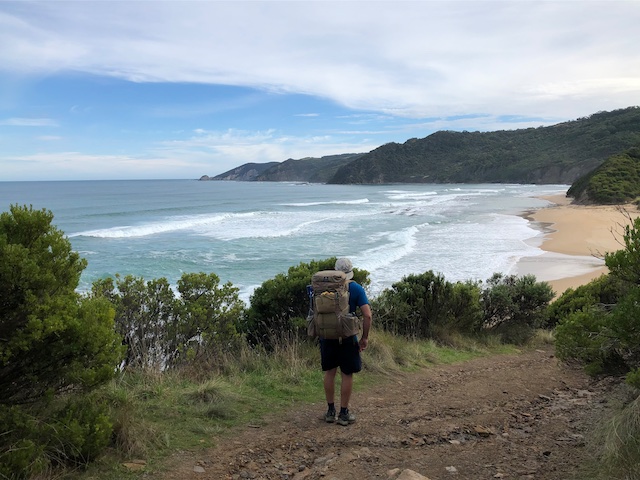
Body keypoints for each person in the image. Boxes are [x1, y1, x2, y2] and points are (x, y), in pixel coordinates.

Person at [321, 257, 372, 426]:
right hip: (348, 337)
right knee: (346, 374)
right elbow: (367, 315)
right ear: (351, 272)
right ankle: (343, 414)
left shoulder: (323, 287)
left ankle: (330, 412)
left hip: (327, 336)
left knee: (329, 372)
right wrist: (364, 338)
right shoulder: (356, 288)